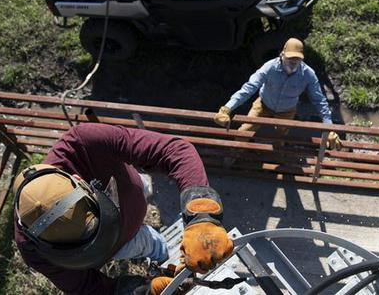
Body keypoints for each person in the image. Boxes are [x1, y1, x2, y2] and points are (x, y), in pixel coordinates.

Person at [13, 123, 233, 294]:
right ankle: (157, 251)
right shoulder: (32, 251)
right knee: (146, 241)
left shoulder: (84, 142)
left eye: (95, 230)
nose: (99, 243)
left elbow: (174, 151)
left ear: (81, 181)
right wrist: (147, 291)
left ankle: (159, 251)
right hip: (123, 245)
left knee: (153, 239)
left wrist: (201, 215)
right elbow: (90, 290)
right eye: (87, 246)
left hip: (133, 206)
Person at [213, 38, 341, 147]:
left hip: (287, 111)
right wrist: (227, 108)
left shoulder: (308, 74)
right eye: (290, 57)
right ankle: (234, 154)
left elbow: (319, 101)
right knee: (245, 130)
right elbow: (249, 87)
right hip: (263, 105)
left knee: (281, 138)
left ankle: (276, 157)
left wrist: (329, 127)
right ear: (282, 54)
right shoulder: (269, 67)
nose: (293, 61)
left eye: (297, 58)